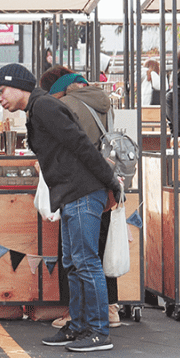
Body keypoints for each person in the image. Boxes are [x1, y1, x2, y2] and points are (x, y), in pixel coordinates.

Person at [0, 62, 120, 353]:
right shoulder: (38, 109)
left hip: (83, 190)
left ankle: (98, 331)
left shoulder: (45, 107)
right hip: (72, 193)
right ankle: (78, 326)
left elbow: (81, 144)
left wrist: (109, 180)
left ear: (19, 85)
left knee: (85, 262)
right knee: (73, 263)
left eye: (1, 91)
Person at [38, 66, 121, 329]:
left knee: (79, 258)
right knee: (98, 249)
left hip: (79, 184)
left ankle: (86, 322)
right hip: (105, 180)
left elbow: (68, 146)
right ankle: (108, 310)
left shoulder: (67, 106)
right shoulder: (102, 101)